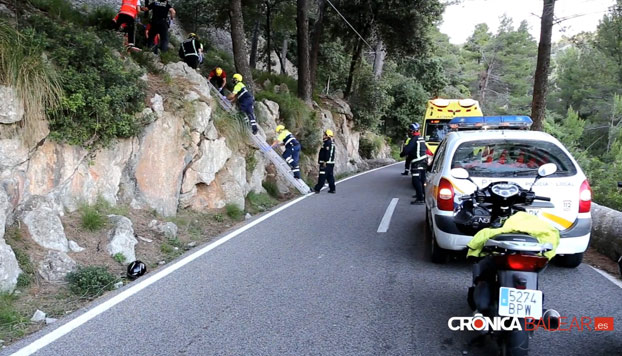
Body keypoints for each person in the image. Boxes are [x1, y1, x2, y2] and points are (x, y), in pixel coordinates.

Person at [400, 123, 428, 204]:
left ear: (412, 131)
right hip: (424, 161)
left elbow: (406, 150)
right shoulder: (421, 138)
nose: (409, 132)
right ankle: (422, 195)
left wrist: (402, 154)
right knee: (422, 180)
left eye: (410, 130)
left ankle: (420, 199)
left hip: (417, 162)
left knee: (416, 180)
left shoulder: (414, 139)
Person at [314, 129, 336, 194]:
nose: (323, 135)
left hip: (326, 163)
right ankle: (332, 189)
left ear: (327, 136)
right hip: (331, 163)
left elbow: (327, 153)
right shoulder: (332, 143)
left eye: (324, 134)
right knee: (330, 176)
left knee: (322, 176)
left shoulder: (327, 143)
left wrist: (325, 161)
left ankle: (317, 189)